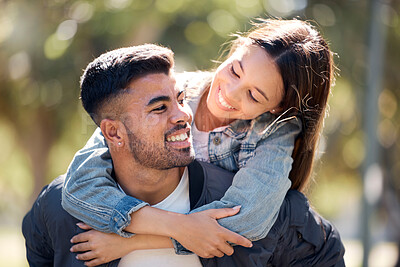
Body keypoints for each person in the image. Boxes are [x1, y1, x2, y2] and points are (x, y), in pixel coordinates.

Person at [22, 43, 344, 267]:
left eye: (179, 100)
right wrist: (180, 227)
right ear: (113, 133)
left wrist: (137, 240)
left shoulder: (258, 192)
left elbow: (314, 247)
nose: (183, 113)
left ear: (274, 108)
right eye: (161, 108)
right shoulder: (59, 208)